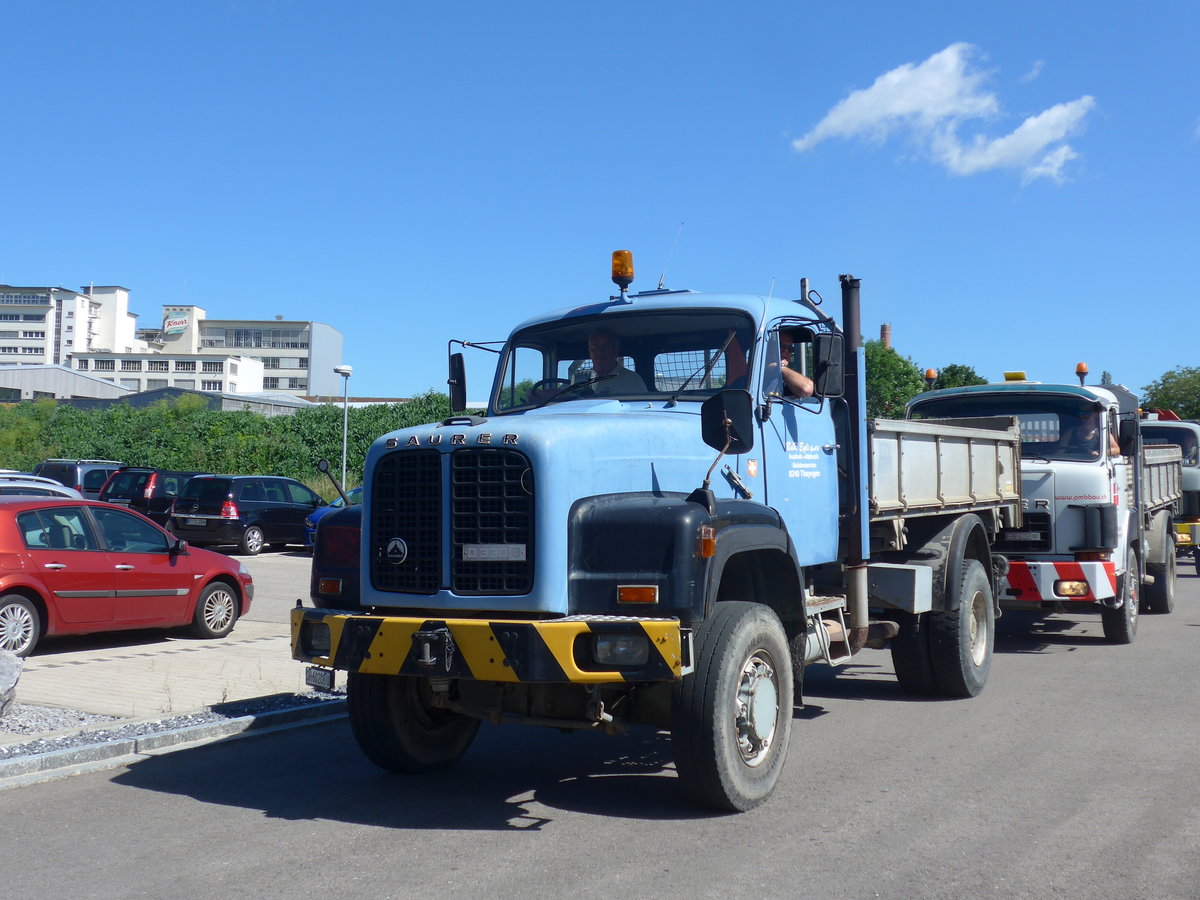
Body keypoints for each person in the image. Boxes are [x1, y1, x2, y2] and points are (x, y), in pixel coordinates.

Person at [572, 329, 646, 394]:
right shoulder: (581, 381)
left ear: (615, 351)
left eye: (605, 347)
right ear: (589, 352)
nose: (599, 352)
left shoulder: (632, 380)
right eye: (594, 347)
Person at [777, 329, 814, 399]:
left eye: (790, 348)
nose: (786, 350)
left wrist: (779, 367)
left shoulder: (788, 382)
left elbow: (806, 389)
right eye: (781, 345)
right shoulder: (753, 373)